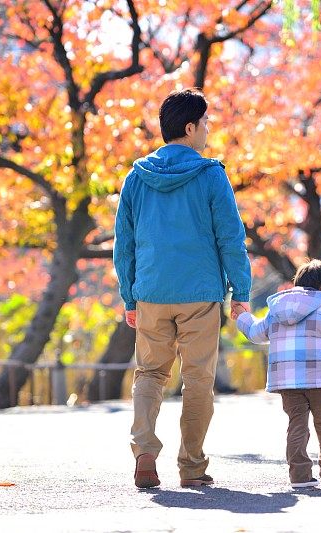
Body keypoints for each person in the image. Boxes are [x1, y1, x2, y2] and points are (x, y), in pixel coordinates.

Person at [114, 88, 251, 489]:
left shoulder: (136, 177)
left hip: (151, 291)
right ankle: (191, 466)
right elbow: (230, 237)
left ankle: (143, 450)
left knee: (151, 373)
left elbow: (124, 243)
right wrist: (239, 291)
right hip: (200, 294)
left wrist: (129, 295)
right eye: (205, 123)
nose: (208, 130)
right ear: (190, 128)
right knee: (198, 381)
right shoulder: (210, 175)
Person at [236, 260, 321, 489]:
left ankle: (299, 475)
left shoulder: (278, 307)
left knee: (296, 424)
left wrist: (241, 316)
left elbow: (255, 332)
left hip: (287, 379)